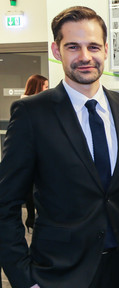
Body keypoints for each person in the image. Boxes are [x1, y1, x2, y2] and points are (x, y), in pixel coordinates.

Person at [0, 6, 119, 288]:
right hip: (58, 275)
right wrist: (24, 278)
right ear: (57, 51)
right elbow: (5, 204)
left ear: (106, 49)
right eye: (73, 47)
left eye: (93, 46)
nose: (85, 57)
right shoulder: (31, 114)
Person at [18, 74, 49, 233]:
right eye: (45, 87)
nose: (47, 90)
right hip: (32, 157)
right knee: (31, 191)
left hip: (42, 155)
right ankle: (31, 219)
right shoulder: (25, 107)